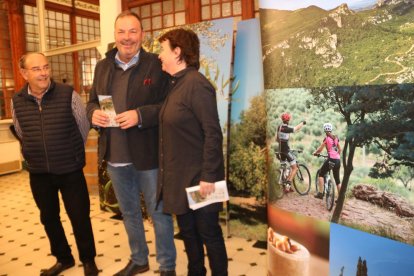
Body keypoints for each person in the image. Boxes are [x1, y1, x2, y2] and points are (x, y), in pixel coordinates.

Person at [86, 11, 176, 276]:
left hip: (148, 156)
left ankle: (167, 266)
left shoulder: (155, 64)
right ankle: (139, 259)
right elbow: (92, 100)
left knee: (158, 214)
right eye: (122, 32)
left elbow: (168, 105)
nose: (127, 38)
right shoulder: (102, 66)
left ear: (142, 35)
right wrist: (93, 114)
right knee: (129, 213)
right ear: (115, 35)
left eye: (133, 31)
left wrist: (140, 115)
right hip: (114, 155)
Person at [11, 52, 99, 276]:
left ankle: (88, 260)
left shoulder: (68, 94)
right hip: (39, 172)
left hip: (70, 169)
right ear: (24, 73)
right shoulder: (17, 100)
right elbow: (21, 131)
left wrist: (70, 152)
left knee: (79, 216)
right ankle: (63, 258)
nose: (43, 73)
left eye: (45, 67)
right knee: (49, 218)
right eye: (36, 69)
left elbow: (82, 127)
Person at [157, 28, 228, 276]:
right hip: (180, 181)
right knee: (188, 233)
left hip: (201, 182)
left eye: (163, 50)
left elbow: (212, 133)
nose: (159, 56)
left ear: (178, 52)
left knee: (209, 234)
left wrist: (209, 175)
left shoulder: (197, 85)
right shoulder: (175, 85)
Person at [276, 112, 306, 191]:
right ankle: (288, 184)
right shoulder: (287, 129)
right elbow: (296, 128)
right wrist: (302, 123)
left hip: (280, 150)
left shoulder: (279, 127)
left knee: (285, 167)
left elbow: (277, 139)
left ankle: (286, 183)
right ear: (288, 120)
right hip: (286, 151)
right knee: (295, 168)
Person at [313, 123, 342, 199]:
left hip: (331, 159)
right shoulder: (336, 138)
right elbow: (340, 149)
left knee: (321, 174)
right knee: (337, 180)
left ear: (324, 130)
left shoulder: (326, 139)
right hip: (338, 160)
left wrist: (315, 153)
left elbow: (320, 149)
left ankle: (320, 193)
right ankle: (341, 198)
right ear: (331, 129)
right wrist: (336, 155)